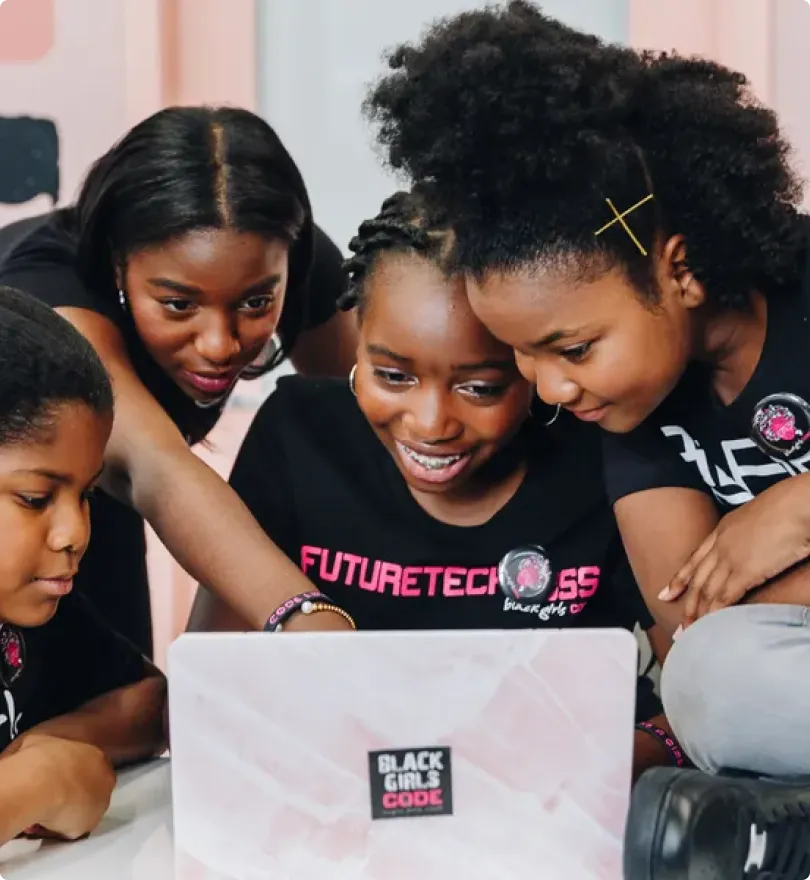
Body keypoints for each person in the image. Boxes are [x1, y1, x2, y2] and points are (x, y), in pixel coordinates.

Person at [363, 3, 810, 877]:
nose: (553, 390)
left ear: (676, 270)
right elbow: (694, 628)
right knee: (711, 688)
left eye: (572, 349)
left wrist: (797, 511)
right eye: (523, 359)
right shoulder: (634, 415)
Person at [190, 190, 679, 783]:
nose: (430, 423)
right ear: (357, 335)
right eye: (392, 376)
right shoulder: (299, 437)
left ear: (532, 366)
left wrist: (623, 758)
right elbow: (212, 693)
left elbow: (698, 691)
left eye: (480, 388)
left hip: (558, 810)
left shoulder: (603, 455)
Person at [0, 106, 358, 656]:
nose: (220, 345)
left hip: (85, 492)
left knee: (131, 694)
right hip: (49, 497)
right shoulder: (52, 291)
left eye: (256, 301)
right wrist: (310, 624)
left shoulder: (280, 261)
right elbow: (153, 468)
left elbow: (383, 421)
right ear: (119, 266)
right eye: (177, 304)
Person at [0, 286, 166, 844]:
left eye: (87, 495)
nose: (75, 533)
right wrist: (30, 786)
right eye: (36, 498)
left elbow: (148, 702)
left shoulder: (29, 611)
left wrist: (46, 748)